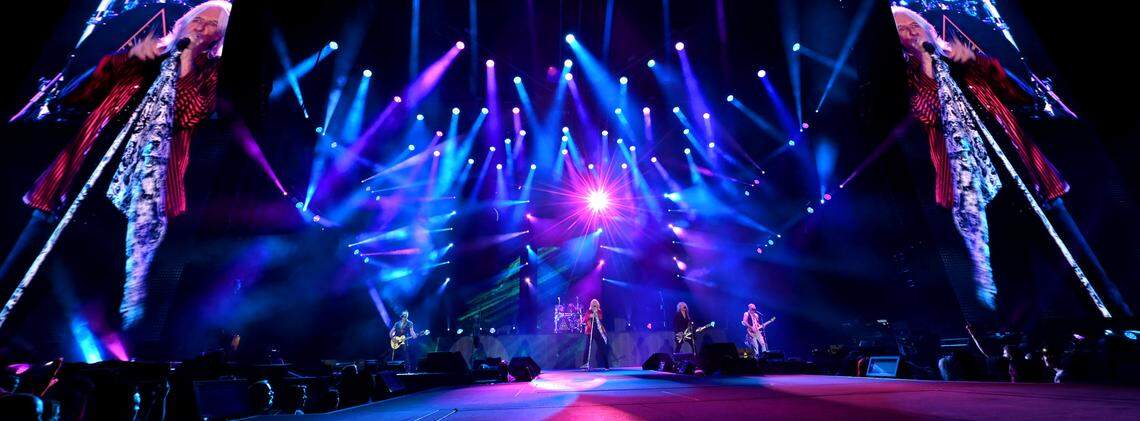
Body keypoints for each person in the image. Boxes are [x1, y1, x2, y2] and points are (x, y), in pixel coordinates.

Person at [0, 1, 231, 332]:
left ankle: (40, 344)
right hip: (80, 169)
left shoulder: (208, 75)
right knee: (24, 257)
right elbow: (79, 94)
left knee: (74, 280)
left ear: (218, 38)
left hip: (128, 194)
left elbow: (188, 113)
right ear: (183, 21)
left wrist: (185, 60)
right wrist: (127, 58)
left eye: (212, 26)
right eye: (199, 20)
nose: (201, 28)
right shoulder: (145, 57)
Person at [891, 6, 1131, 321]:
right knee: (1017, 282)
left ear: (927, 26)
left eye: (913, 24)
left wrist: (977, 61)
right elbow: (929, 112)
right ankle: (1038, 342)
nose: (910, 32)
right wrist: (927, 64)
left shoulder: (964, 61)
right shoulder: (911, 79)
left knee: (1079, 260)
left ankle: (1120, 321)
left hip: (1026, 173)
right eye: (901, 30)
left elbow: (1021, 94)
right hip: (983, 193)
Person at [580, 298, 609, 370]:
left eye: (595, 303)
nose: (594, 304)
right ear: (591, 305)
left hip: (598, 331)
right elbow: (584, 320)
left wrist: (595, 314)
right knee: (587, 348)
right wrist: (590, 316)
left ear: (598, 305)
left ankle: (606, 365)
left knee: (602, 347)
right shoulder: (589, 311)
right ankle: (584, 364)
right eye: (593, 303)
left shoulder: (599, 311)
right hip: (590, 332)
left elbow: (600, 317)